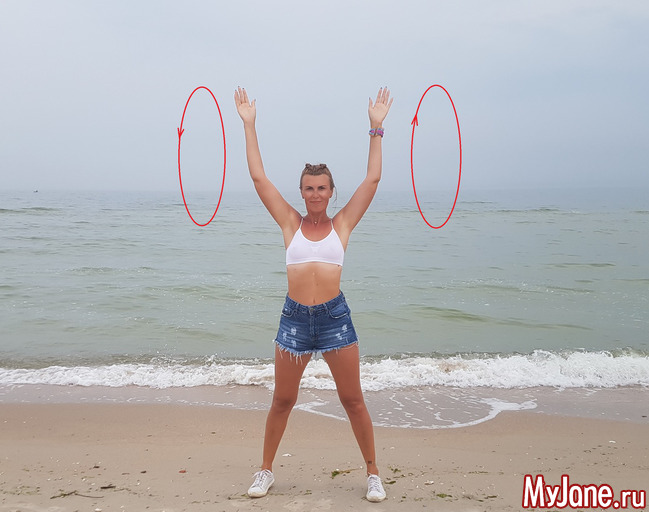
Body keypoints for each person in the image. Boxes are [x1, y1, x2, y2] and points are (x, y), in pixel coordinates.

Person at [234, 86, 393, 502]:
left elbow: (372, 179)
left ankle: (373, 473)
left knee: (352, 400)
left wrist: (376, 128)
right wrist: (249, 125)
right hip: (295, 321)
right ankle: (265, 471)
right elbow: (259, 178)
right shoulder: (290, 223)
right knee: (283, 400)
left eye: (322, 188)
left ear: (331, 192)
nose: (316, 194)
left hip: (334, 319)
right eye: (309, 188)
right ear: (302, 193)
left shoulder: (343, 224)